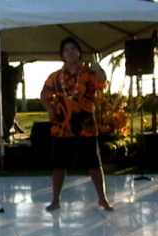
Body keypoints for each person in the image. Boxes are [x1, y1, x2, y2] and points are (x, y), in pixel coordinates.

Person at [40, 37, 113, 212]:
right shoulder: (55, 77)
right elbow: (44, 94)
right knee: (58, 165)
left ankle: (102, 199)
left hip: (86, 126)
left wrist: (100, 70)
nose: (70, 52)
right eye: (66, 50)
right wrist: (50, 110)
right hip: (62, 128)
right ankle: (55, 200)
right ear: (62, 55)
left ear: (79, 52)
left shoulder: (89, 73)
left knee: (94, 164)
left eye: (73, 49)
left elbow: (102, 84)